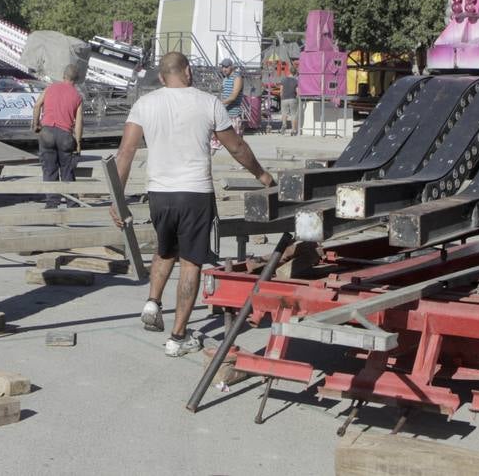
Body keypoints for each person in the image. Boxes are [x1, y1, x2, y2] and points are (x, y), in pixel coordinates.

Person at [113, 51, 274, 357]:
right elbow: (237, 147)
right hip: (195, 193)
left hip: (159, 194)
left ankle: (152, 302)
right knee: (190, 263)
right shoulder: (208, 102)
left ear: (161, 77)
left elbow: (125, 153)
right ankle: (177, 337)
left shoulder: (144, 104)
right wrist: (262, 175)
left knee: (165, 249)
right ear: (187, 71)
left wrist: (117, 200)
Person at [31, 64, 84, 209]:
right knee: (67, 170)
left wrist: (36, 125)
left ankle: (52, 203)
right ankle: (72, 203)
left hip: (47, 132)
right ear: (77, 79)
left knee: (49, 169)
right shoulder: (77, 97)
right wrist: (78, 143)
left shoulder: (50, 88)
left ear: (63, 76)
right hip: (65, 135)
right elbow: (79, 123)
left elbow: (37, 106)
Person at [280, 71, 300, 135]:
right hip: (292, 99)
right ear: (295, 74)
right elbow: (297, 92)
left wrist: (282, 97)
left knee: (284, 113)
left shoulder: (283, 80)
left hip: (284, 99)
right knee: (293, 115)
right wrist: (297, 98)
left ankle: (284, 125)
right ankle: (293, 130)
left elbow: (281, 90)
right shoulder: (295, 81)